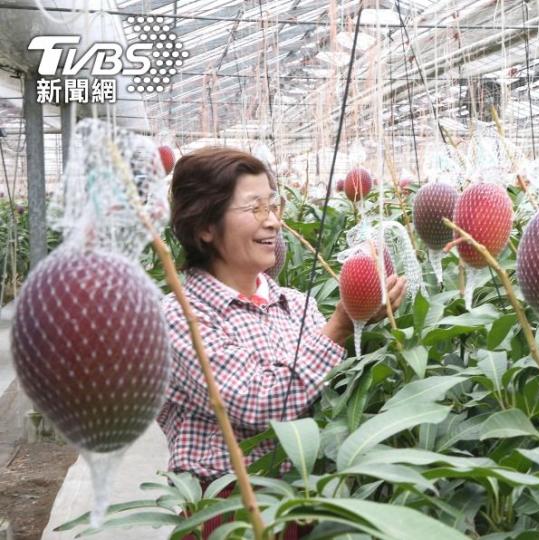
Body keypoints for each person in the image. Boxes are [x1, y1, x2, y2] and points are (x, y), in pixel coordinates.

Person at [157, 148, 406, 498]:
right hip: (229, 513)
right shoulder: (178, 318)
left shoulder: (297, 305)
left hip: (306, 500)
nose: (273, 221)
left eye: (273, 206)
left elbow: (330, 395)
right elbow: (260, 401)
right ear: (205, 226)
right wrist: (340, 327)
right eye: (255, 208)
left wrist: (372, 324)